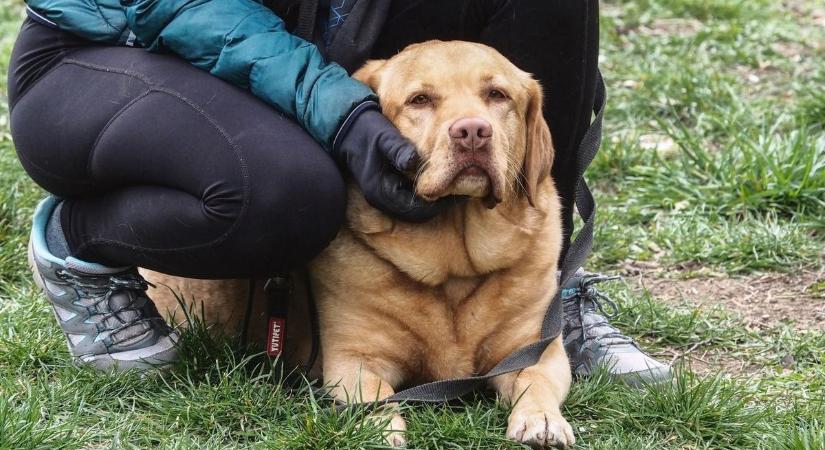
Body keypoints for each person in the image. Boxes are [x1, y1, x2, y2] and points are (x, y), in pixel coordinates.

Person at [8, 0, 669, 382]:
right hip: (113, 47)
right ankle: (79, 243)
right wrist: (345, 112)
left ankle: (541, 288)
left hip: (288, 41)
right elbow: (184, 9)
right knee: (287, 193)